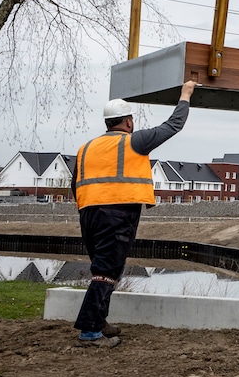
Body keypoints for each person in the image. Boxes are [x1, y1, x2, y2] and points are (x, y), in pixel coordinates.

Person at [71, 80, 197, 347]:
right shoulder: (133, 142)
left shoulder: (85, 148)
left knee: (103, 270)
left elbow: (75, 184)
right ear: (128, 122)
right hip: (117, 214)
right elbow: (173, 125)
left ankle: (99, 321)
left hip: (88, 215)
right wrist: (185, 95)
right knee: (106, 272)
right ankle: (89, 333)